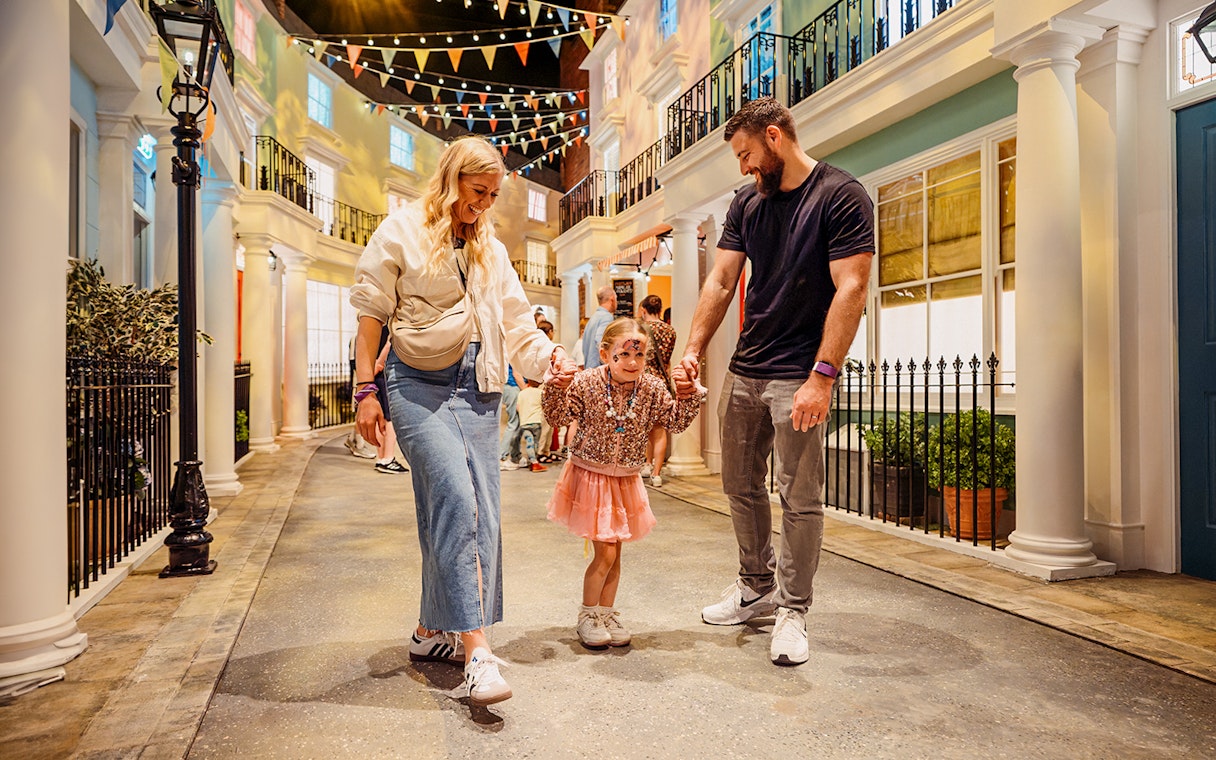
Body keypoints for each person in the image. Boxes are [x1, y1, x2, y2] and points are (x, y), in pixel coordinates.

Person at [350, 136, 577, 706]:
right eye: (479, 191)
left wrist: (551, 360)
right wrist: (364, 391)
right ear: (452, 179)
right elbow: (371, 314)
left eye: (494, 195)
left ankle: (432, 632)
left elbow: (519, 325)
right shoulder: (401, 230)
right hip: (415, 385)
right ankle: (477, 649)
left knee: (475, 509)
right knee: (456, 495)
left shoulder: (491, 251)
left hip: (479, 386)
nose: (485, 204)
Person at [672, 97, 874, 667]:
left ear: (775, 137)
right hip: (746, 369)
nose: (743, 168)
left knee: (799, 496)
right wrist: (692, 349)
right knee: (738, 484)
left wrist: (823, 377)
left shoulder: (840, 195)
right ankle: (755, 586)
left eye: (746, 154)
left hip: (799, 376)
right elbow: (720, 280)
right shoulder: (746, 203)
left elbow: (852, 289)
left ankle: (793, 608)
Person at [543, 317, 703, 650]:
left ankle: (606, 612)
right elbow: (557, 418)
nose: (633, 363)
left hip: (626, 479)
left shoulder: (653, 387)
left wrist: (687, 394)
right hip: (591, 476)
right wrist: (555, 387)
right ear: (605, 354)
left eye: (640, 355)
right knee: (605, 553)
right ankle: (588, 615)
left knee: (615, 556)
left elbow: (674, 421)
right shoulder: (587, 383)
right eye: (624, 355)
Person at [636, 294, 675, 487]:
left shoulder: (641, 330)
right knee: (659, 430)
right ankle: (657, 474)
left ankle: (646, 464)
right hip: (661, 382)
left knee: (644, 427)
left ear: (644, 309)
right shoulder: (670, 330)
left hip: (643, 381)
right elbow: (666, 360)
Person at [371, 329, 408, 474]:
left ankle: (381, 458)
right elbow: (389, 344)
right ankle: (388, 457)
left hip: (373, 373)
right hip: (383, 371)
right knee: (390, 416)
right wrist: (379, 364)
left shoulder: (371, 325)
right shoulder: (388, 323)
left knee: (380, 415)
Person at [581, 285, 616, 369]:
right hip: (599, 371)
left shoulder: (593, 318)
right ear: (612, 299)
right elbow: (600, 341)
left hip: (589, 370)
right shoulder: (606, 317)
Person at [515, 378, 546, 472]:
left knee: (529, 442)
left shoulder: (522, 393)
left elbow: (517, 408)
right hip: (536, 421)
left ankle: (531, 461)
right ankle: (534, 462)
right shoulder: (540, 392)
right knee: (535, 443)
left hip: (524, 423)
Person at [498, 365, 523, 470]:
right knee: (514, 423)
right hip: (513, 388)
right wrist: (526, 389)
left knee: (518, 424)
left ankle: (515, 456)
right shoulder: (513, 352)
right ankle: (501, 457)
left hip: (512, 388)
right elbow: (516, 373)